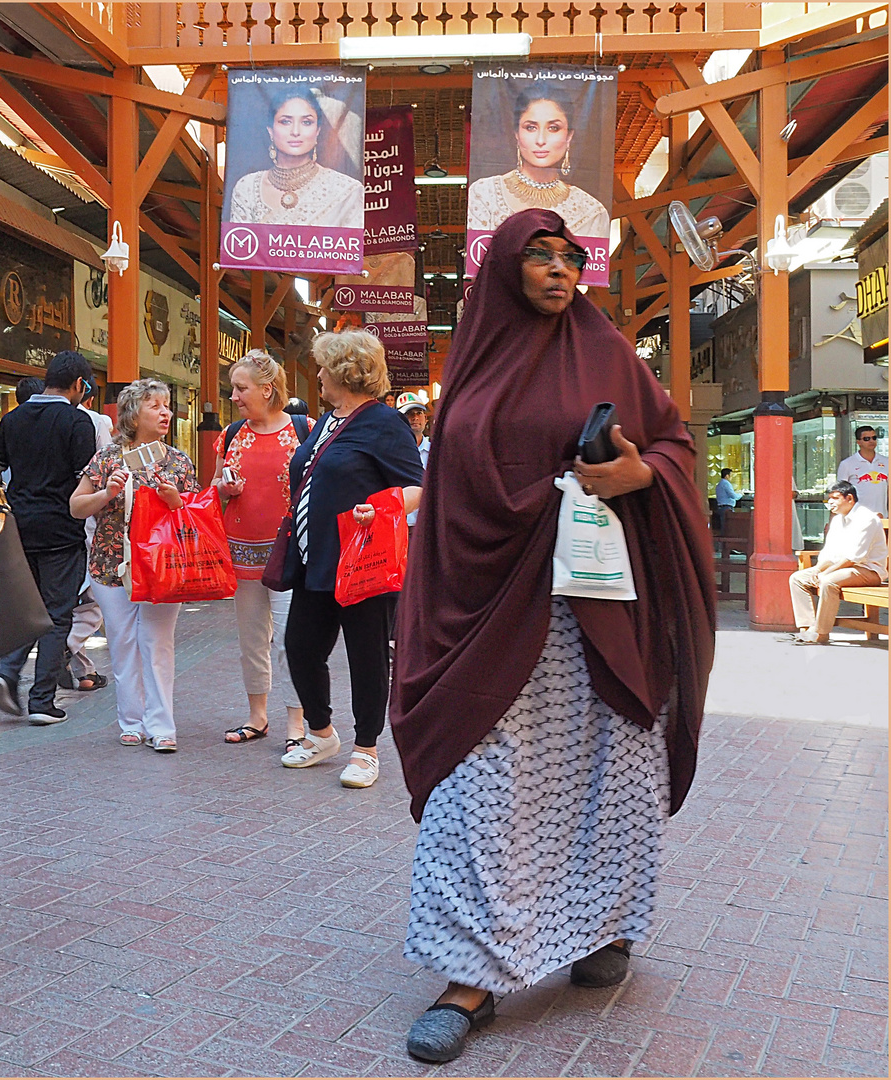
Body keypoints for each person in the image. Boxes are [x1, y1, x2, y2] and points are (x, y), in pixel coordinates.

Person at [390, 210, 715, 1064]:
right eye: (538, 256)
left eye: (570, 257)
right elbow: (455, 491)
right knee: (482, 787)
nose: (559, 269)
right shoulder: (472, 364)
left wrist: (641, 470)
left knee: (612, 770)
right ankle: (471, 977)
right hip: (493, 617)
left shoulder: (608, 350)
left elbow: (675, 441)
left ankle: (602, 931)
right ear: (501, 270)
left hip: (600, 613)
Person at [280, 330, 423, 789]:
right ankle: (322, 734)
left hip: (362, 562)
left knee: (366, 657)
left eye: (323, 366)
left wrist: (380, 507)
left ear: (344, 370)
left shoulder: (383, 422)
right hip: (314, 558)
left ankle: (366, 750)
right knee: (300, 648)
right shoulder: (327, 420)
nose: (317, 374)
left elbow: (419, 487)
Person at [69, 379, 197, 752]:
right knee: (123, 642)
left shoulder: (177, 461)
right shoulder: (108, 458)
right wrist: (107, 491)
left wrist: (176, 501)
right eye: (155, 406)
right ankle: (131, 720)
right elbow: (76, 507)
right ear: (132, 412)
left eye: (167, 406)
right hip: (112, 565)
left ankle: (161, 725)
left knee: (157, 642)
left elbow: (197, 514)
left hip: (162, 567)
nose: (165, 413)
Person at [0, 351, 98, 724]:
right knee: (57, 614)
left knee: (27, 609)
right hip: (61, 530)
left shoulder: (11, 419)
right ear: (79, 385)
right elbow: (86, 478)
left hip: (19, 528)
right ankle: (42, 701)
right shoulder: (77, 421)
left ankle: (8, 670)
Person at [212, 350, 310, 751]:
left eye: (240, 388)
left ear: (267, 390)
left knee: (291, 640)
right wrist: (224, 488)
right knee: (251, 640)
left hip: (287, 554)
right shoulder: (232, 434)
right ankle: (258, 715)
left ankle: (298, 722)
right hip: (241, 554)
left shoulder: (305, 430)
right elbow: (214, 485)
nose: (233, 396)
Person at [466, 82, 611, 242]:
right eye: (531, 127)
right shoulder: (484, 195)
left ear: (569, 136)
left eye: (553, 128)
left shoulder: (591, 211)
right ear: (516, 133)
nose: (541, 140)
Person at [228, 85, 363, 229]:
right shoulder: (247, 188)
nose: (295, 131)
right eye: (286, 121)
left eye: (306, 122)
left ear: (317, 131)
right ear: (270, 131)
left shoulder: (345, 191)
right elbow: (240, 249)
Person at [788, 480, 888, 645]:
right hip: (844, 570)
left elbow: (854, 558)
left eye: (835, 498)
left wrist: (825, 574)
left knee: (828, 582)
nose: (831, 503)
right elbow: (829, 553)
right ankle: (807, 628)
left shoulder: (867, 519)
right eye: (829, 499)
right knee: (797, 578)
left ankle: (821, 633)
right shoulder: (837, 520)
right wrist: (818, 570)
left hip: (868, 571)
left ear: (849, 498)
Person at [64, 382, 116, 693]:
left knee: (73, 600)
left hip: (46, 525)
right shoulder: (97, 423)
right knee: (94, 600)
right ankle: (64, 647)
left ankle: (83, 670)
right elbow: (104, 471)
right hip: (89, 524)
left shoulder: (23, 418)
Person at [836, 426, 888, 517]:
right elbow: (840, 494)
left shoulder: (886, 462)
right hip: (856, 518)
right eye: (866, 439)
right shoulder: (847, 464)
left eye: (874, 438)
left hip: (882, 518)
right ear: (858, 442)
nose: (871, 441)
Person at [713, 467, 739, 533]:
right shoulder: (726, 483)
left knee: (723, 525)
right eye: (731, 475)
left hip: (721, 506)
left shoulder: (719, 484)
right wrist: (741, 494)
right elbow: (733, 496)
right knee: (727, 527)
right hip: (726, 507)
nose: (732, 477)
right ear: (727, 476)